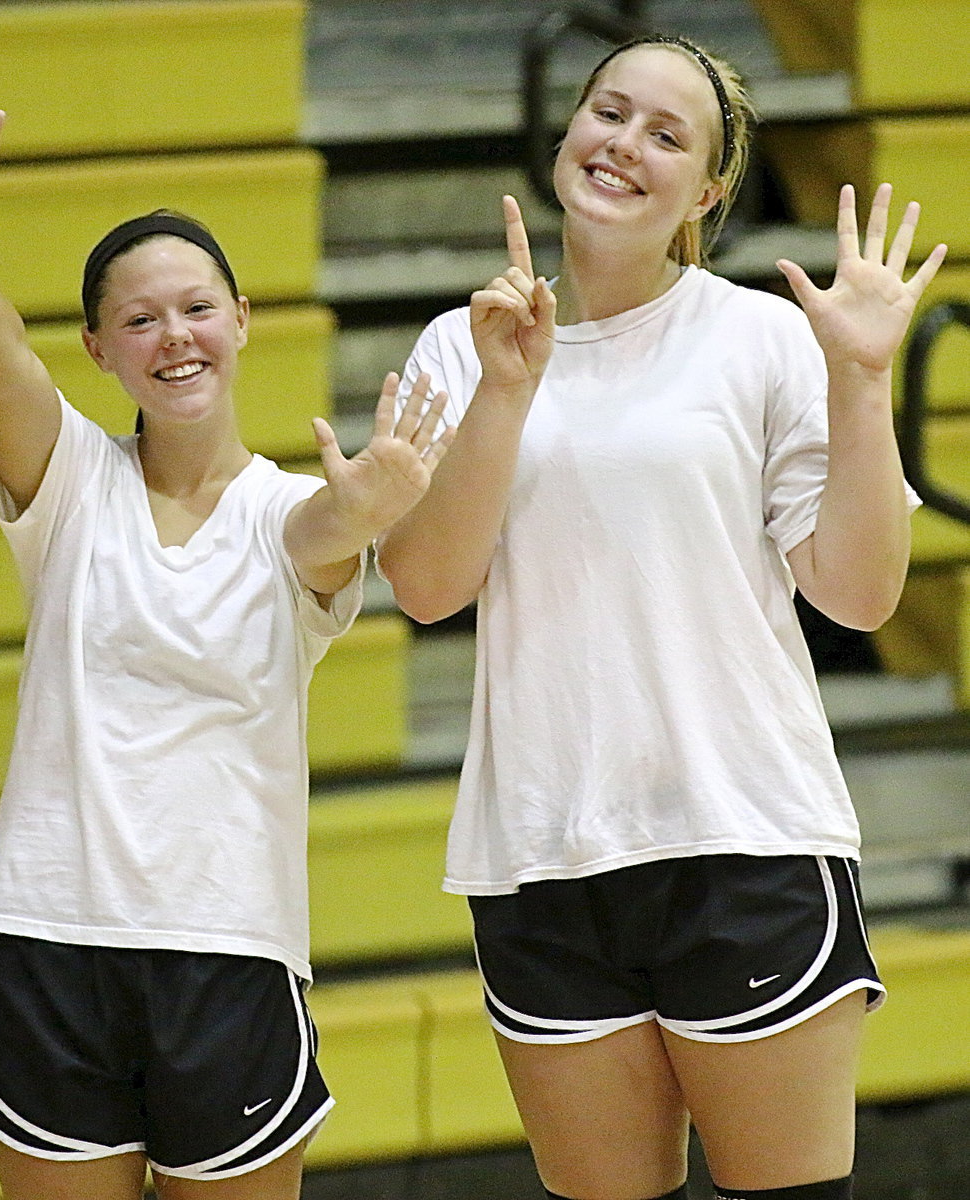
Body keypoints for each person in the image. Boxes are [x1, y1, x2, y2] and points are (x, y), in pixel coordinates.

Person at [377, 34, 947, 1200]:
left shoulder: (765, 337)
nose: (621, 144)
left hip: (741, 839)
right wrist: (505, 392)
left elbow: (858, 592)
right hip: (539, 856)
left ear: (709, 191)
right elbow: (427, 587)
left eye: (664, 134)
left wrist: (860, 380)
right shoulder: (463, 343)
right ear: (565, 129)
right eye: (607, 111)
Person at [0, 111, 452, 1200]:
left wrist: (368, 508)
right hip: (46, 943)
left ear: (241, 321)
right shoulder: (66, 484)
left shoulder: (297, 509)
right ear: (100, 352)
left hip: (229, 954)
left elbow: (321, 543)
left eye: (198, 307)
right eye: (139, 319)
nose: (176, 335)